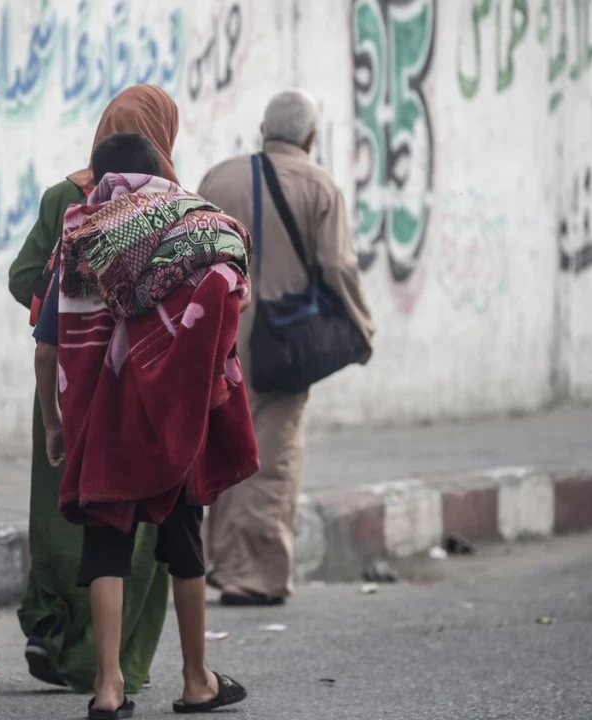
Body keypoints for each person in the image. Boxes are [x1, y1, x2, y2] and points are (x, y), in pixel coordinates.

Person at [36, 133, 256, 719]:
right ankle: (197, 679)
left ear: (99, 178)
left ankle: (108, 688)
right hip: (173, 412)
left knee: (106, 544)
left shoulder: (81, 235)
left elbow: (49, 345)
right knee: (185, 543)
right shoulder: (198, 224)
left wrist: (56, 423)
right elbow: (226, 304)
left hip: (104, 417)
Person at [6, 84, 179, 693]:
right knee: (142, 529)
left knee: (66, 517)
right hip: (144, 391)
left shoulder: (66, 197)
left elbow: (23, 277)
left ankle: (54, 632)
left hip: (67, 383)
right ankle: (118, 664)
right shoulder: (178, 206)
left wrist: (66, 301)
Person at [198, 90, 375, 606]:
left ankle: (223, 561)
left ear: (263, 130)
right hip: (283, 345)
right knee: (271, 456)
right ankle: (254, 574)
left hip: (219, 335)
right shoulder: (319, 186)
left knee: (224, 445)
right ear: (311, 138)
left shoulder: (217, 179)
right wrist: (362, 328)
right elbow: (338, 266)